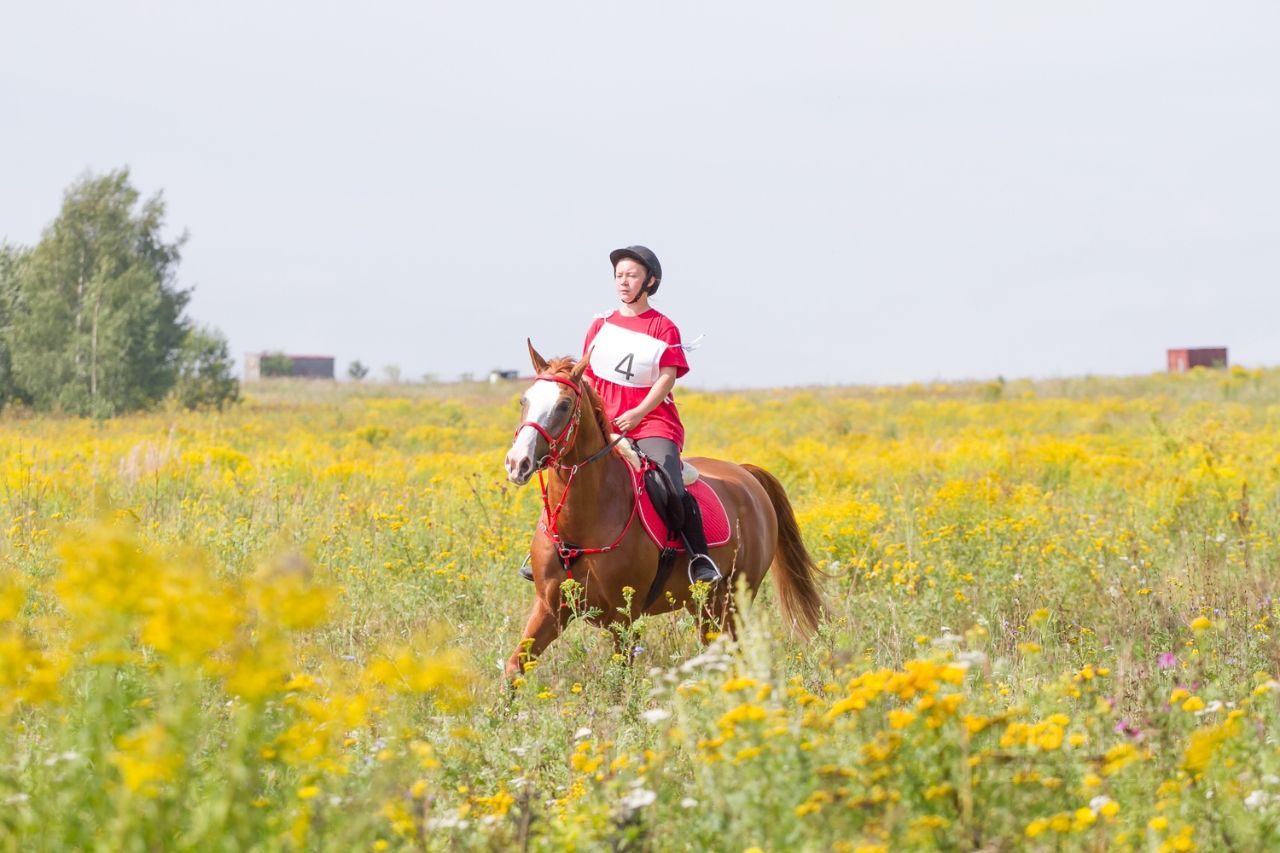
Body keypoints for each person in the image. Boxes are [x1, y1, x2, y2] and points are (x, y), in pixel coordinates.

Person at [520, 245, 723, 585]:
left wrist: (638, 413)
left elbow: (667, 377)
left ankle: (698, 556)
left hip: (653, 423)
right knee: (565, 474)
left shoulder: (663, 327)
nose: (623, 282)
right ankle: (546, 549)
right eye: (619, 276)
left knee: (670, 484)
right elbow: (586, 375)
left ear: (650, 282)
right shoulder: (600, 324)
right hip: (605, 422)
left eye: (631, 276)